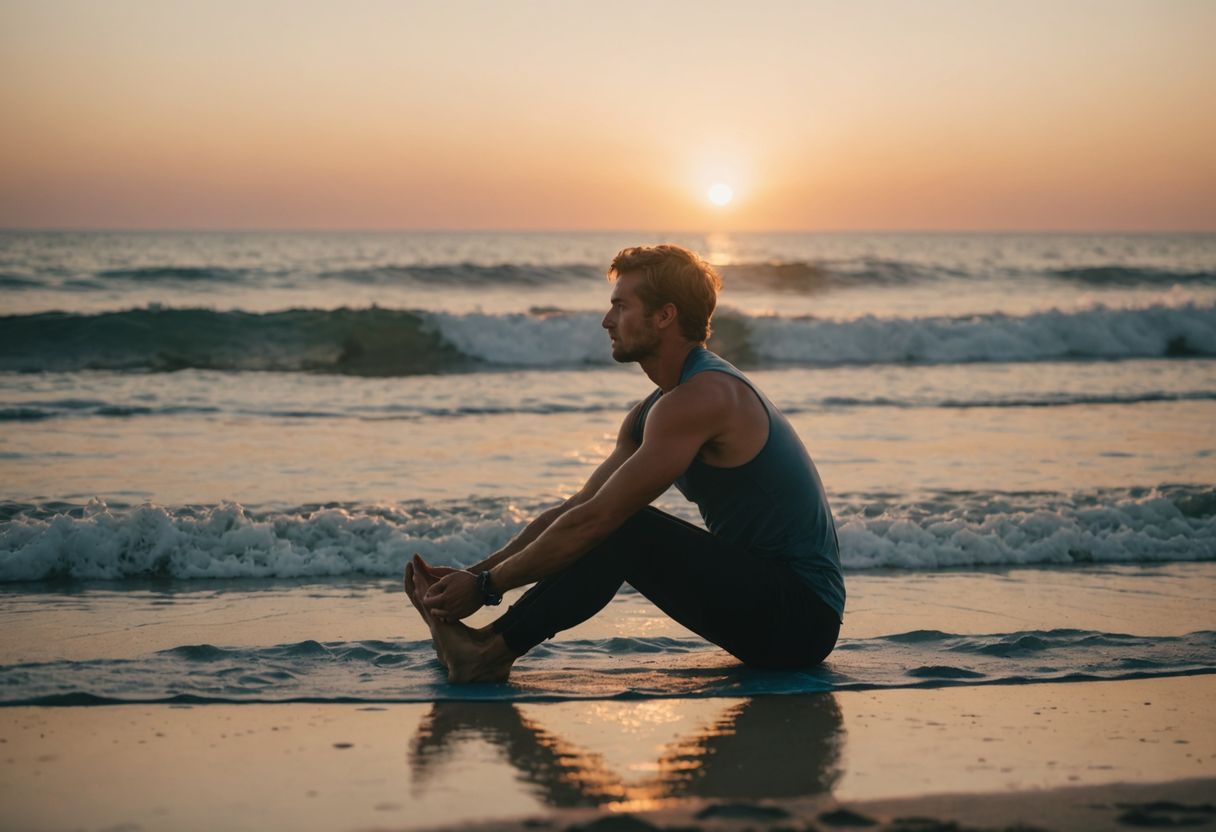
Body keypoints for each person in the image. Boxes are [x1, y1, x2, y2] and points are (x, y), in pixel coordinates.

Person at [405, 244, 844, 682]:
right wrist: (474, 576)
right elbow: (578, 509)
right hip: (759, 605)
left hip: (802, 620)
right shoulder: (655, 409)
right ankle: (483, 646)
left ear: (665, 316)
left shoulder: (704, 397)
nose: (606, 320)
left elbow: (600, 521)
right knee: (609, 522)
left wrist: (486, 589)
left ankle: (486, 653)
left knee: (624, 527)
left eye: (620, 305)